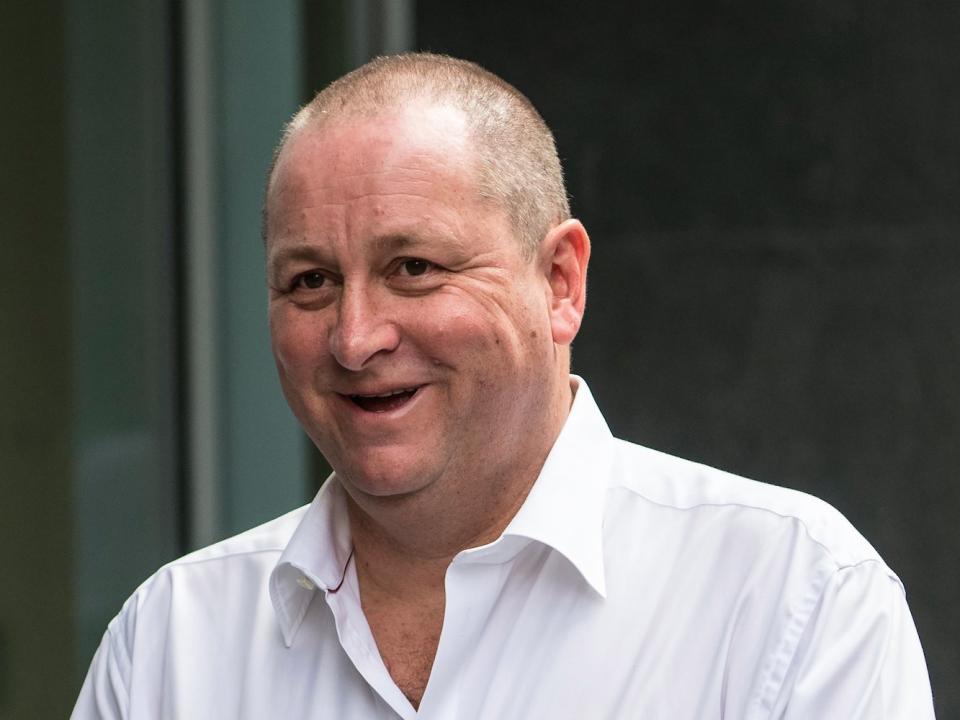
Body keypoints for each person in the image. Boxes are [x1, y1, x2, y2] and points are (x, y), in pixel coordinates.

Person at [73, 53, 934, 719]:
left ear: (561, 282)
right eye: (309, 281)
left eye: (414, 267)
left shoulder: (792, 597)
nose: (355, 336)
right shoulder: (171, 644)